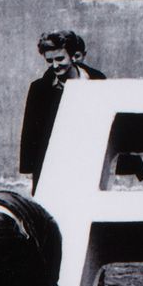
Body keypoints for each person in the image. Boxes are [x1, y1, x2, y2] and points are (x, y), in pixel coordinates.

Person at [20, 30, 105, 193]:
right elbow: (31, 130)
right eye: (49, 60)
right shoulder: (40, 88)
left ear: (74, 56)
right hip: (53, 158)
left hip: (87, 156)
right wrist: (30, 168)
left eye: (60, 59)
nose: (55, 65)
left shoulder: (96, 80)